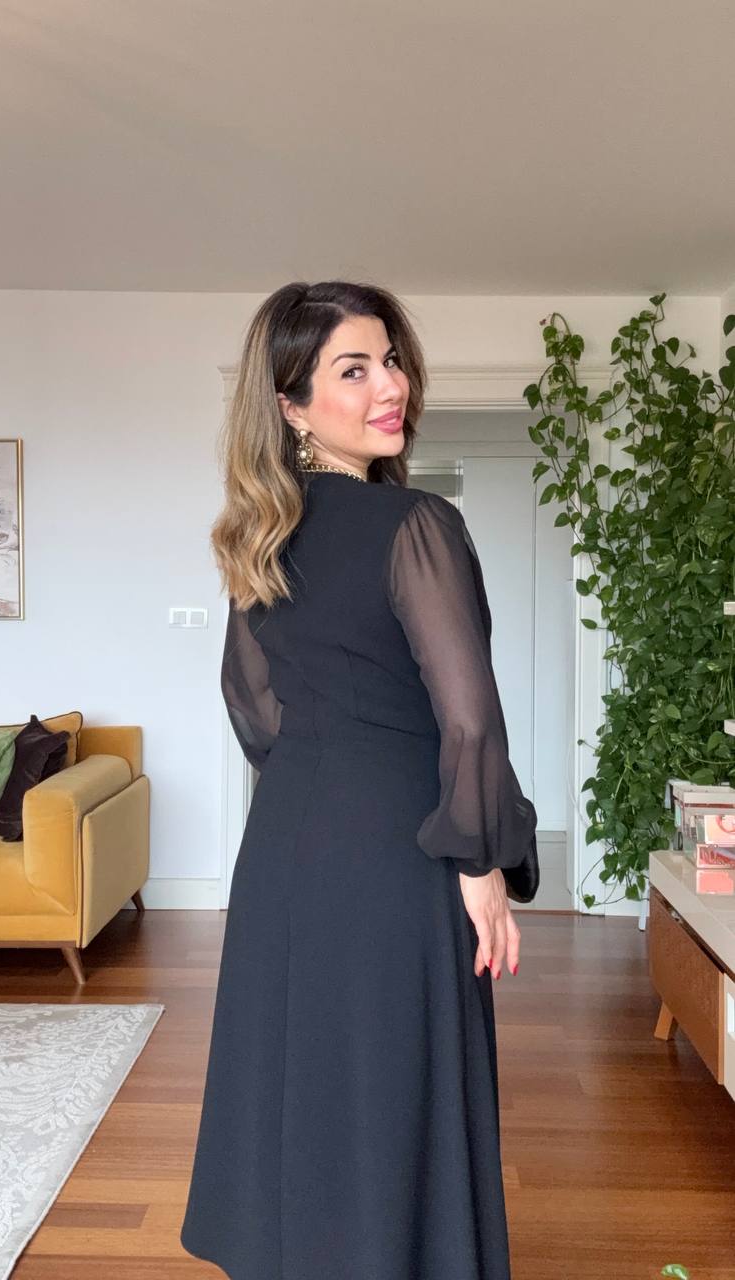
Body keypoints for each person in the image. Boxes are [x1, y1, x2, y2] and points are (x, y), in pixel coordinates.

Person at [180, 279, 539, 1280]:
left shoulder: (259, 536)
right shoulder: (418, 524)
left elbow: (251, 705)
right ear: (292, 406)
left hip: (287, 846)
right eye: (354, 369)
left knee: (301, 1077)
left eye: (391, 361)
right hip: (397, 847)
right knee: (395, 1080)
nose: (391, 386)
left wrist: (320, 778)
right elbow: (468, 717)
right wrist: (481, 863)